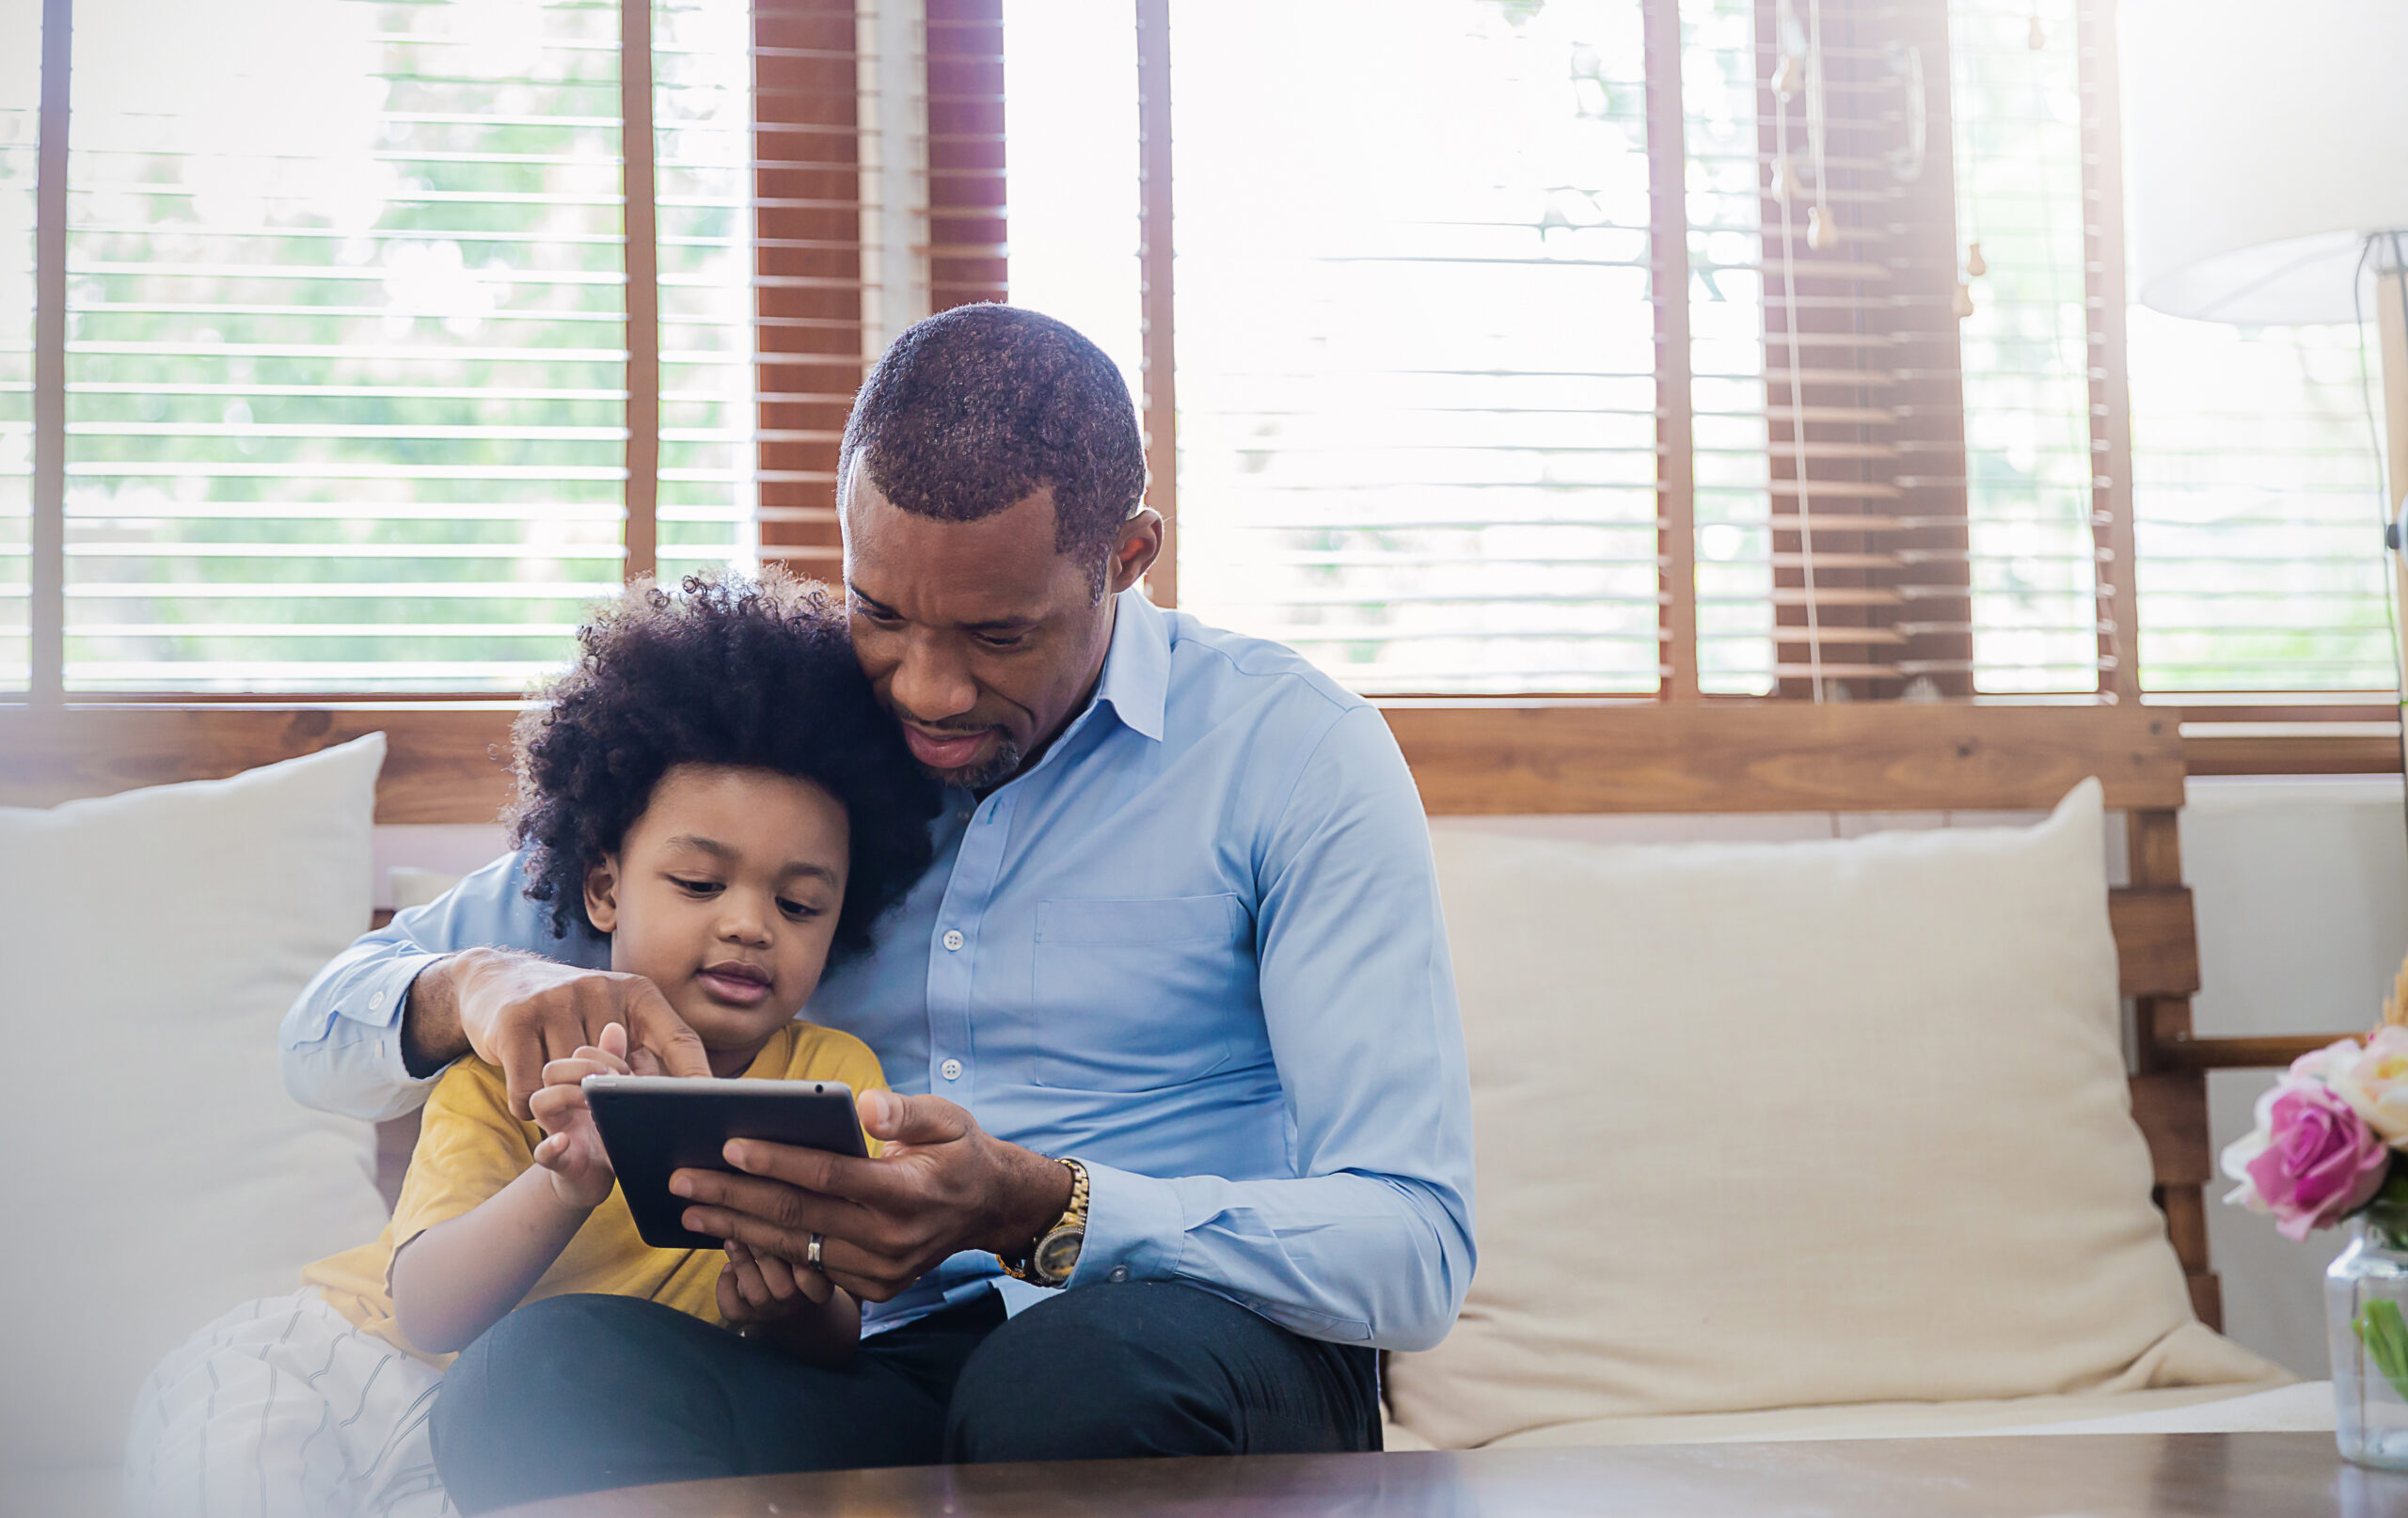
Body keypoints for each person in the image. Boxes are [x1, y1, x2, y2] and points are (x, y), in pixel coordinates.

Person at [281, 305, 1478, 1510]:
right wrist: (470, 986)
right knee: (535, 1377)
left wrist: (1046, 1208)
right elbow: (316, 1036)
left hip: (1192, 1349)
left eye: (996, 634)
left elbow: (1415, 1248)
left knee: (1061, 1383)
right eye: (879, 613)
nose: (925, 689)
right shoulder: (788, 753)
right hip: (877, 1358)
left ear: (1126, 556)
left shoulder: (1295, 755)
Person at [128, 576, 937, 1518]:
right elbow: (427, 1311)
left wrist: (790, 1306)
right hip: (342, 1364)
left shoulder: (832, 1080)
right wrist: (565, 1178)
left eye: (799, 904)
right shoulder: (520, 1057)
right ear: (603, 889)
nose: (751, 925)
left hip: (529, 1427)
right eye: (698, 883)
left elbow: (834, 1333)